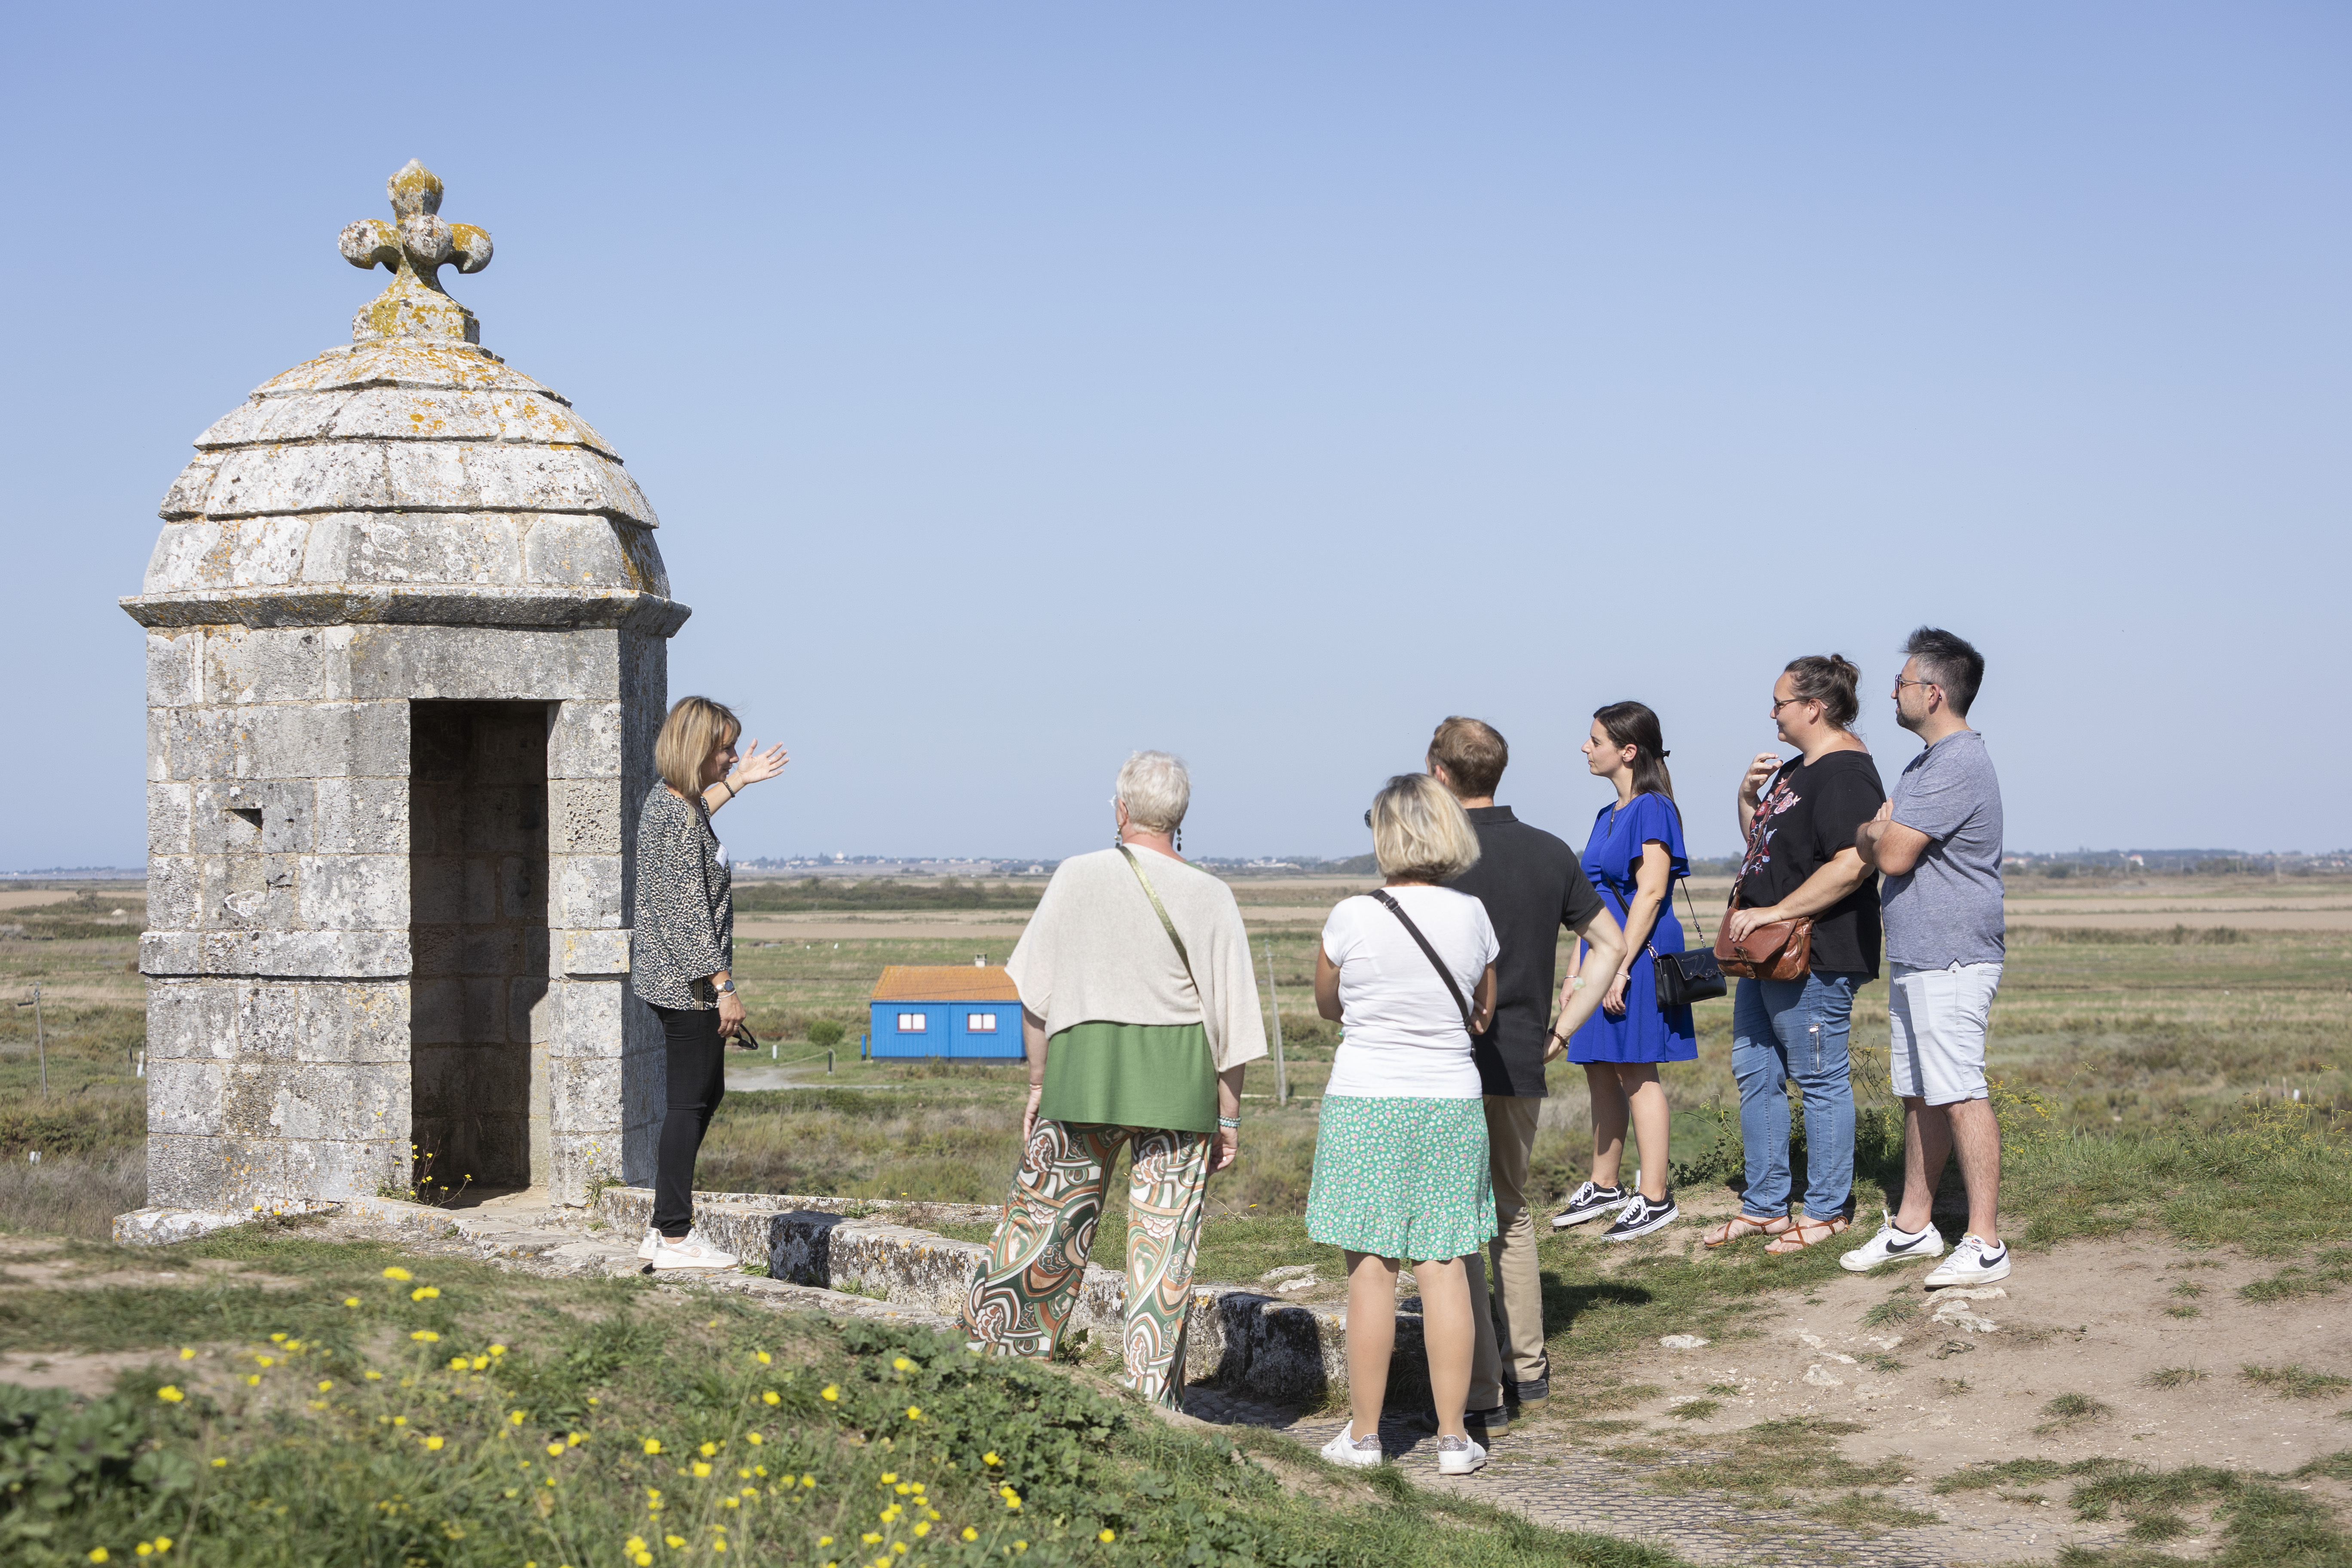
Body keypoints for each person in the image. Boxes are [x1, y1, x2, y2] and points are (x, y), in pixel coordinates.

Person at [962, 751, 1266, 1409]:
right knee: (1163, 1252)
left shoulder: (1076, 876)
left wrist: (1038, 1085)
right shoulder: (1212, 894)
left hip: (1083, 1073)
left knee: (1045, 1227)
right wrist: (1231, 1116)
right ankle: (1151, 1400)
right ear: (1179, 818)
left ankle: (1000, 1370)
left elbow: (1035, 997)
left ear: (1122, 810)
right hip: (1180, 1085)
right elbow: (1234, 1018)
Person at [1427, 717, 1623, 1426]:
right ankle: (1529, 1370)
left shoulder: (1432, 856)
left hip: (1441, 1059)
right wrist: (1564, 1027)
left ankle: (1478, 1390)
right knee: (1508, 1212)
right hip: (1519, 1052)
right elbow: (1608, 941)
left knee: (1453, 1221)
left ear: (1440, 774)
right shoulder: (1549, 852)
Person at [1308, 773, 1502, 1478]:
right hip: (1449, 1098)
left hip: (1366, 1098)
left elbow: (1328, 1002)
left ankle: (1364, 1436)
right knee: (1445, 1267)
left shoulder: (1350, 915)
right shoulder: (1473, 913)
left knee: (1370, 1270)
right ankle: (1454, 1438)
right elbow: (1482, 1010)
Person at [1845, 628, 2010, 1286]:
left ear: (1934, 692)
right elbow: (1876, 836)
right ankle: (1914, 1226)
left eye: (1904, 682)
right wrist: (1877, 830)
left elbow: (1887, 853)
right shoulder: (1923, 764)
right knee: (1920, 1094)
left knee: (1961, 1091)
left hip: (1951, 955)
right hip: (1919, 954)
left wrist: (1879, 832)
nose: (1893, 691)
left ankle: (1986, 1240)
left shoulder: (1955, 763)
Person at [1705, 655, 1886, 1254]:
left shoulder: (1845, 773)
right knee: (1756, 1071)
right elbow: (1766, 847)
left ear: (1815, 707)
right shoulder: (1795, 771)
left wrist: (1778, 913)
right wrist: (1746, 796)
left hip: (1815, 952)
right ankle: (1765, 1208)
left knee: (1818, 1077)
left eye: (1781, 702)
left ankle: (1829, 1210)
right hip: (1769, 952)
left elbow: (1855, 863)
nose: (1772, 712)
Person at [630, 695, 789, 1271]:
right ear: (699, 749)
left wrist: (742, 780)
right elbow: (685, 915)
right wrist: (724, 987)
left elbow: (700, 813)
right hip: (689, 985)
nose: (729, 757)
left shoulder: (673, 803)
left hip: (679, 980)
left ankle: (662, 1229)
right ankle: (673, 1236)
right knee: (688, 1105)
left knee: (701, 1097)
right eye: (725, 750)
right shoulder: (674, 817)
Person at [1553, 702, 1697, 1243]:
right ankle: (1605, 1184)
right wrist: (1575, 975)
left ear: (1628, 750)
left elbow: (1653, 891)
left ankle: (1655, 1197)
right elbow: (1590, 906)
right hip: (1603, 954)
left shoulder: (1653, 808)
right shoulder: (1606, 814)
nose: (1586, 748)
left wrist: (1621, 969)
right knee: (1596, 1064)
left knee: (1637, 1070)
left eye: (1595, 740)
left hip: (1638, 953)